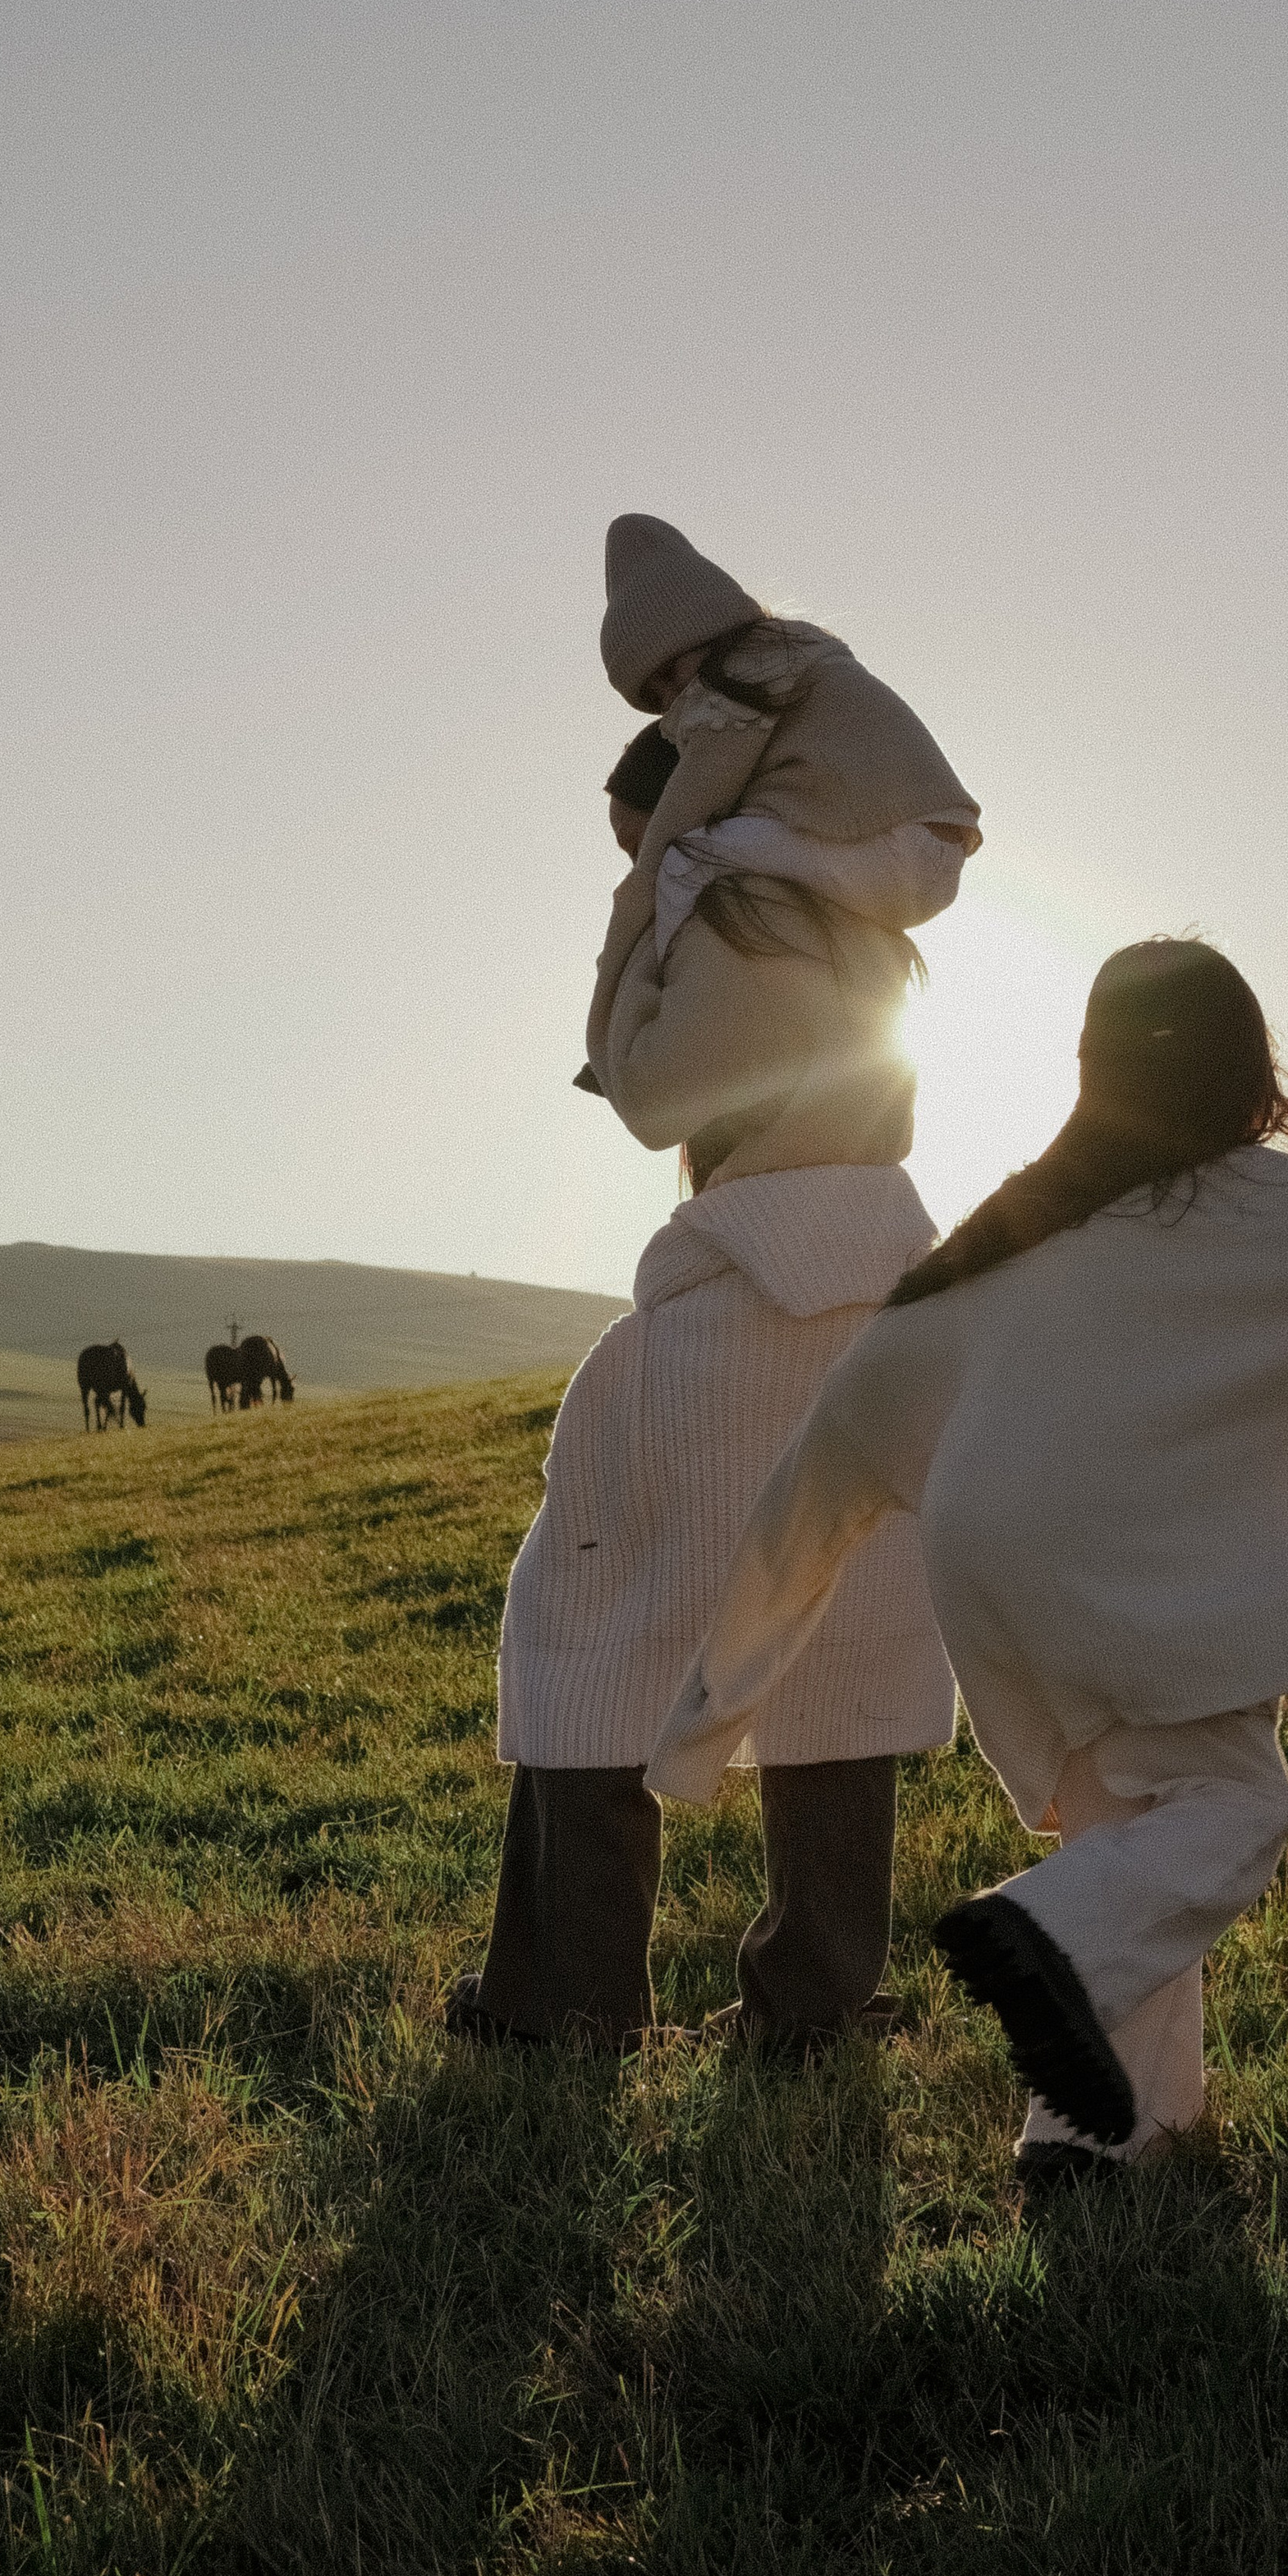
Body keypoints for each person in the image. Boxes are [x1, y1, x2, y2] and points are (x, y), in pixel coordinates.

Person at [645, 939, 1288, 2173]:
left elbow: (820, 1478)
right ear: (1252, 1071)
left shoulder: (1000, 1244)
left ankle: (1096, 2141)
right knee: (1229, 1811)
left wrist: (710, 1713)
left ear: (1095, 1074)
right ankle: (1044, 1941)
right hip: (1131, 1573)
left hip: (1001, 1573)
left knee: (1132, 1836)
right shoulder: (1267, 1206)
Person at [446, 704, 964, 2055]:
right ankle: (817, 2004)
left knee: (586, 1630)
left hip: (747, 1282)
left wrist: (641, 902)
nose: (632, 862)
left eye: (637, 833)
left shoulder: (721, 915)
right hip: (869, 1287)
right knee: (835, 1637)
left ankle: (565, 1998)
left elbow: (651, 1095)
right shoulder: (856, 924)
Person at [579, 514, 983, 1091]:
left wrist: (622, 959)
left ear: (698, 628)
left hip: (899, 850)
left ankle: (660, 1007)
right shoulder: (794, 662)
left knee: (683, 860)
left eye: (670, 675)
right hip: (917, 852)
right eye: (657, 698)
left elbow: (682, 816)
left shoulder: (745, 679)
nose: (673, 702)